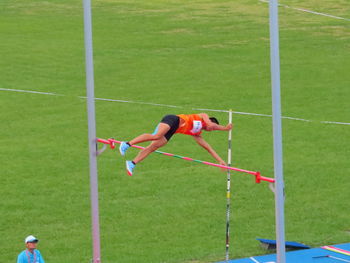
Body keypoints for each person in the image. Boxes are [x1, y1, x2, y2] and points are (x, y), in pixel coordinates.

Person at [119, 113, 232, 176]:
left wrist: (220, 160)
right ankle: (127, 144)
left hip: (172, 131)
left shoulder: (197, 133)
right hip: (173, 120)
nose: (211, 129)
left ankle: (132, 163)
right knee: (157, 136)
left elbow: (208, 148)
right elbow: (209, 122)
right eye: (212, 127)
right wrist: (224, 128)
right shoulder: (204, 116)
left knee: (154, 146)